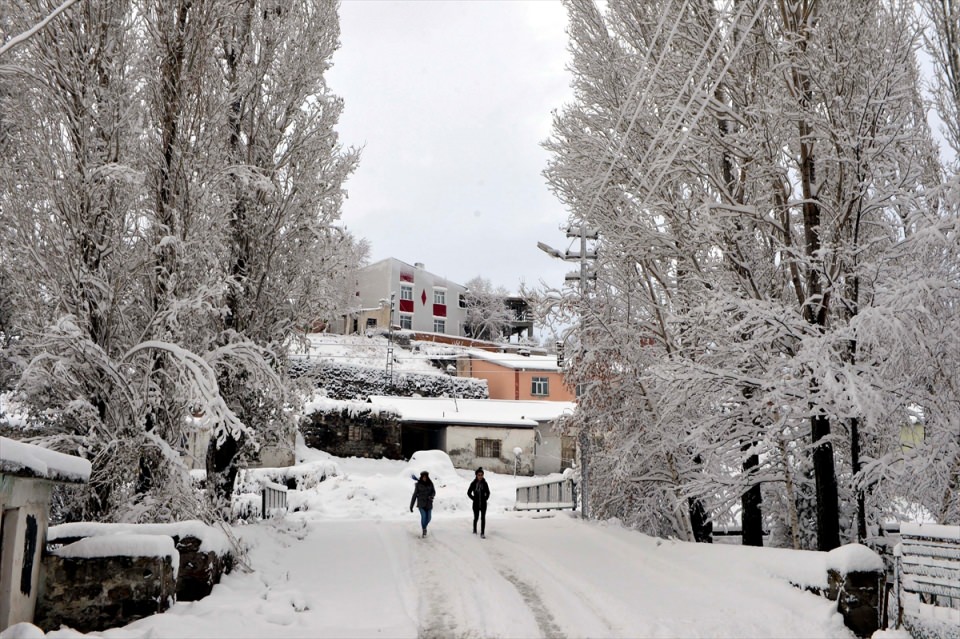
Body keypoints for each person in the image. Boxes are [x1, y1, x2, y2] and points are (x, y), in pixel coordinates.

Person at [410, 471, 436, 537]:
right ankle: (424, 529)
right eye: (423, 477)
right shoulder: (418, 484)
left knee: (429, 518)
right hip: (421, 504)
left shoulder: (430, 483)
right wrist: (411, 506)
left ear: (427, 477)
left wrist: (432, 496)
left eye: (425, 477)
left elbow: (433, 491)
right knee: (424, 517)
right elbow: (414, 495)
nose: (424, 478)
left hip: (429, 503)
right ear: (421, 477)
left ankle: (425, 526)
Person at [467, 467, 491, 538]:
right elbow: (468, 492)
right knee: (476, 517)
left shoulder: (485, 483)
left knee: (483, 518)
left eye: (481, 475)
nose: (480, 476)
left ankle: (482, 533)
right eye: (479, 475)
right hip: (476, 504)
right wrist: (473, 498)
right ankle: (474, 529)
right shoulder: (473, 483)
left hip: (483, 504)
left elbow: (488, 492)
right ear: (476, 475)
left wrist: (485, 499)